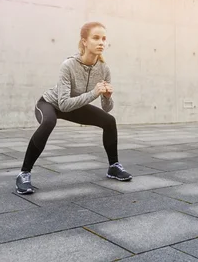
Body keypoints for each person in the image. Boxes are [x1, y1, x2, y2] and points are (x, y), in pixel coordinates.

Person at [15, 22, 133, 194]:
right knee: (49, 122)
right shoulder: (68, 65)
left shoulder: (104, 69)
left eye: (104, 39)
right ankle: (24, 174)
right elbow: (63, 104)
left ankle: (114, 166)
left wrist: (107, 97)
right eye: (96, 38)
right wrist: (94, 93)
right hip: (50, 103)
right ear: (84, 41)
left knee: (109, 121)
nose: (101, 42)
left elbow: (107, 109)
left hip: (75, 105)